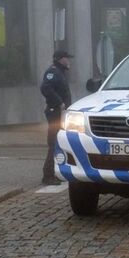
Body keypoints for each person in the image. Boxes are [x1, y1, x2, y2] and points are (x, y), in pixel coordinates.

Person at [40, 50, 74, 185]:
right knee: (54, 143)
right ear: (60, 59)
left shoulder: (60, 73)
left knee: (59, 142)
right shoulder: (53, 72)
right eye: (67, 58)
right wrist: (59, 102)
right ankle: (48, 175)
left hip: (60, 114)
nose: (69, 61)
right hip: (55, 113)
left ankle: (54, 172)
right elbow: (45, 88)